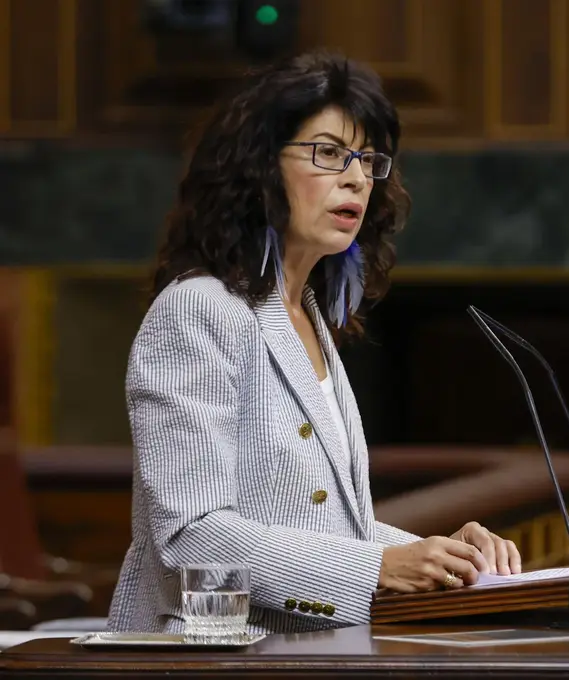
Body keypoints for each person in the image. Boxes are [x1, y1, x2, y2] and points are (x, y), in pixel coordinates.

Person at [107, 50, 521, 635]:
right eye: (328, 153)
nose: (356, 177)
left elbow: (322, 527)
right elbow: (191, 536)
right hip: (212, 659)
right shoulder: (197, 311)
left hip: (312, 654)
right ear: (258, 168)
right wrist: (383, 565)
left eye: (367, 160)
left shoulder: (307, 313)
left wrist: (444, 558)